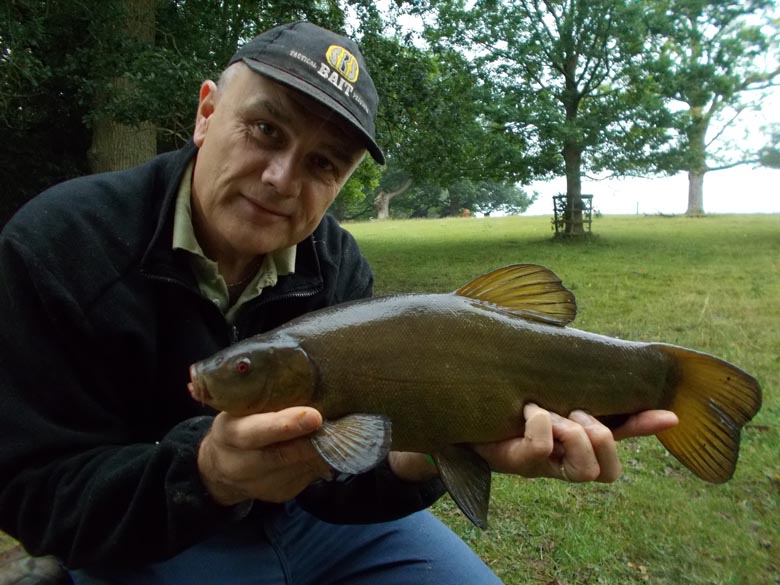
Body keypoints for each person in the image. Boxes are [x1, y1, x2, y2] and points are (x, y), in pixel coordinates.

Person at [0, 21, 677, 584]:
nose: (281, 178)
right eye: (265, 129)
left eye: (323, 164)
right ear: (206, 113)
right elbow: (29, 490)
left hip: (316, 521)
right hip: (150, 534)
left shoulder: (335, 262)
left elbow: (349, 478)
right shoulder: (61, 245)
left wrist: (426, 450)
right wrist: (205, 475)